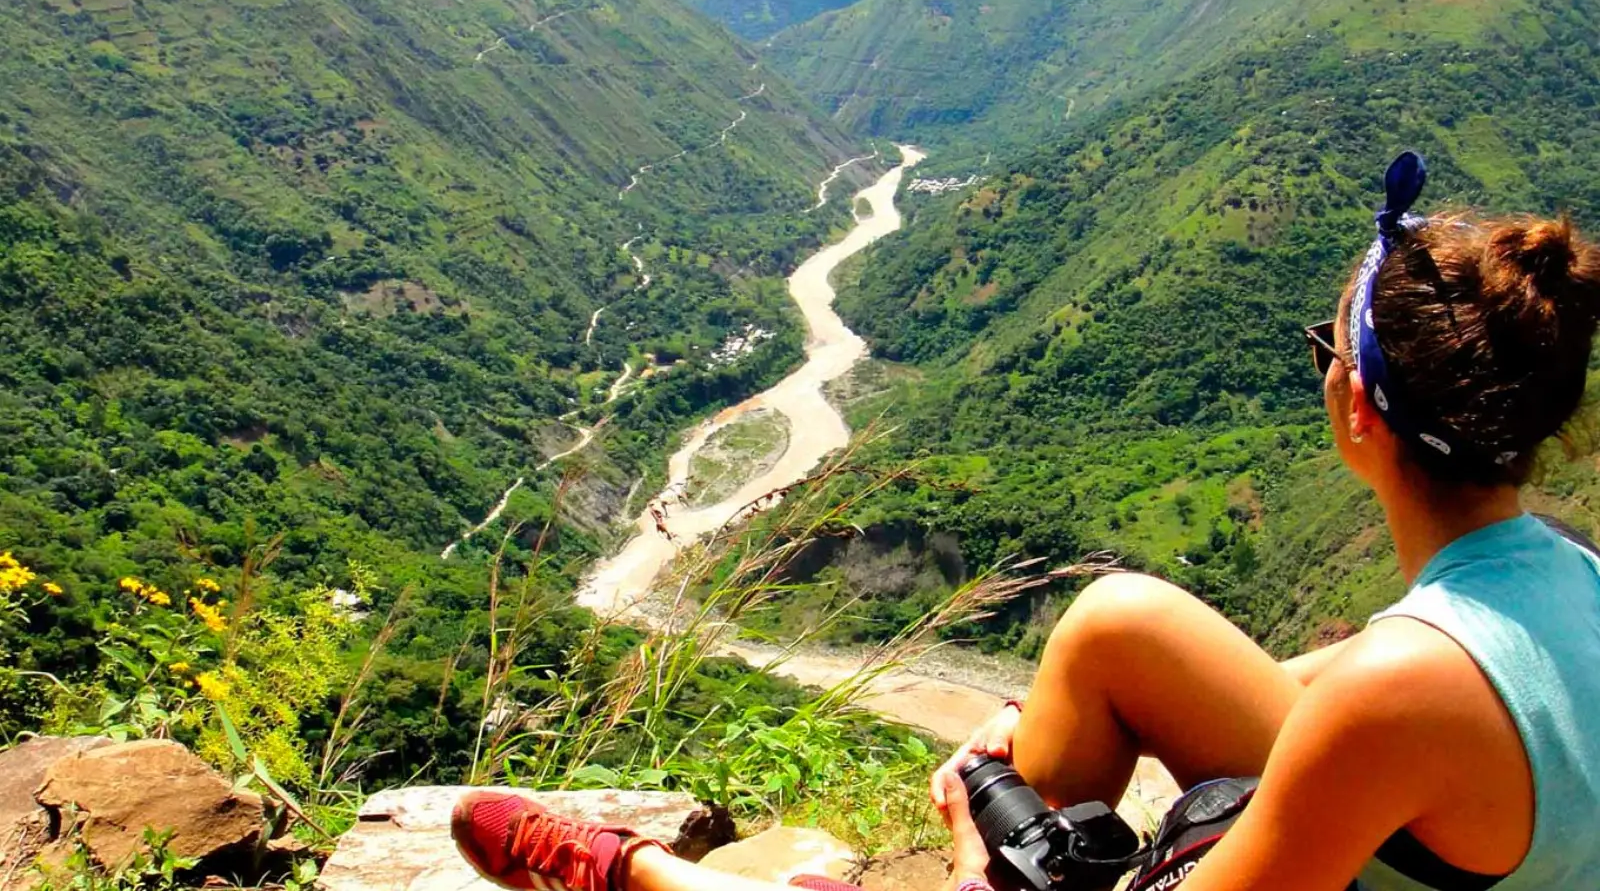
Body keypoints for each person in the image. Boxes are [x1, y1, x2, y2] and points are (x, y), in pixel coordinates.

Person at [449, 156, 1600, 891]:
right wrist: (1032, 725)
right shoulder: (1565, 576)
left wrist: (976, 849)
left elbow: (1362, 704)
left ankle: (639, 873)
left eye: (1323, 355)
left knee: (1001, 862)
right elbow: (1339, 683)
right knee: (1117, 622)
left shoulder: (1393, 699)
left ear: (1357, 407)